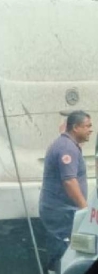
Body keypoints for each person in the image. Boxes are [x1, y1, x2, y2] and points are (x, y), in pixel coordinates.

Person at [39, 110, 92, 274]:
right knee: (64, 251)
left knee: (63, 251)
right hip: (61, 212)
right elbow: (69, 181)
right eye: (87, 126)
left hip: (62, 210)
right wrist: (85, 208)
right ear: (76, 128)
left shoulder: (68, 145)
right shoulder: (67, 148)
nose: (91, 129)